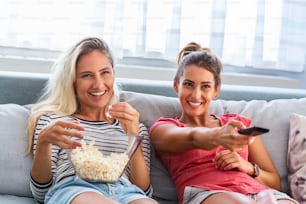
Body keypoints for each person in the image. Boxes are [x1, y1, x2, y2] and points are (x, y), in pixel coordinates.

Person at [149, 42, 298, 204]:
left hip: (261, 193)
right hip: (209, 193)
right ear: (176, 85)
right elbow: (191, 138)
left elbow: (276, 183)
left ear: (216, 90)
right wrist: (217, 136)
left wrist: (247, 167)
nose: (196, 95)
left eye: (205, 86)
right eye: (188, 84)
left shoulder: (237, 124)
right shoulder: (164, 128)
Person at [26, 37, 157, 204]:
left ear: (113, 74)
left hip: (125, 191)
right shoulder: (55, 122)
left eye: (105, 73)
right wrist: (44, 141)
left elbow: (144, 191)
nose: (98, 84)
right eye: (87, 75)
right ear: (73, 82)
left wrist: (133, 135)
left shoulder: (134, 125)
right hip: (75, 188)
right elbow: (41, 193)